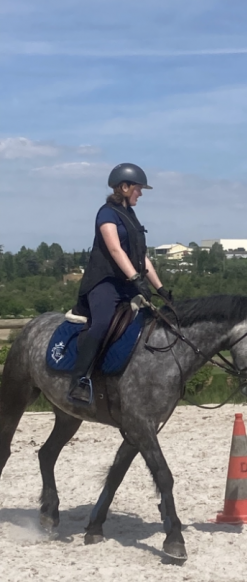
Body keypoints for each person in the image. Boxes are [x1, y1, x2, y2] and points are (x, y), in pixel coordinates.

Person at [68, 163, 171, 405]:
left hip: (127, 284)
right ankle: (79, 380)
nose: (141, 193)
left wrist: (160, 289)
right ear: (124, 187)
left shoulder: (131, 217)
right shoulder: (107, 213)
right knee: (102, 322)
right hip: (104, 283)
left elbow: (141, 257)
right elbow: (115, 249)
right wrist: (136, 279)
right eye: (138, 188)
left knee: (151, 324)